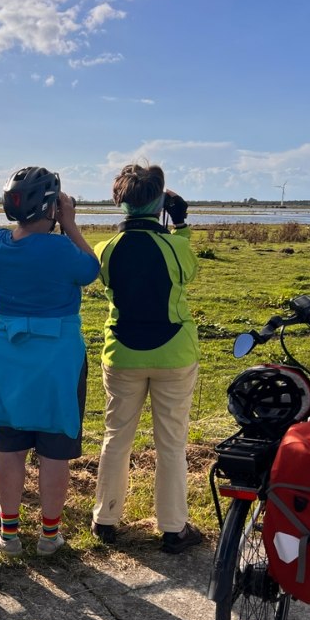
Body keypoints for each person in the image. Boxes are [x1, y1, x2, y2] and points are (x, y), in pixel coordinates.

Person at [0, 167, 99, 556]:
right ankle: (49, 535)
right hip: (58, 359)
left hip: (8, 356)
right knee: (55, 450)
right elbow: (91, 269)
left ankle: (8, 534)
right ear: (51, 206)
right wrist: (70, 225)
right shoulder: (60, 249)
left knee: (10, 449)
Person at [91, 162, 202, 554]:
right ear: (160, 201)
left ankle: (105, 519)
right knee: (171, 443)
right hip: (174, 353)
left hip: (121, 353)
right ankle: (173, 528)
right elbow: (188, 269)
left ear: (119, 201)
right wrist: (182, 222)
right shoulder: (176, 246)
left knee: (116, 437)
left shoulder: (105, 250)